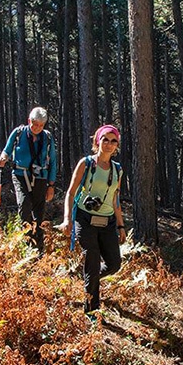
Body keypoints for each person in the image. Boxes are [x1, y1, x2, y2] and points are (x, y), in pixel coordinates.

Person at [60, 125, 127, 321]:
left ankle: (90, 279)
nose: (109, 144)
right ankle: (91, 310)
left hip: (107, 222)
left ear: (117, 145)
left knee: (114, 265)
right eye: (105, 139)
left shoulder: (117, 170)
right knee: (92, 258)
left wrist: (121, 226)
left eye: (113, 141)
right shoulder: (86, 163)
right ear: (97, 141)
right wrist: (67, 219)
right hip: (85, 218)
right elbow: (71, 193)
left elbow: (116, 199)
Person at [0, 107, 58, 253]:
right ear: (29, 121)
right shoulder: (18, 133)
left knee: (39, 212)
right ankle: (26, 244)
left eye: (41, 125)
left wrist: (51, 185)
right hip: (20, 175)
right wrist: (3, 158)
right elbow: (7, 150)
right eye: (35, 124)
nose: (37, 128)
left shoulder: (47, 138)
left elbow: (53, 161)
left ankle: (38, 247)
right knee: (24, 206)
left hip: (40, 177)